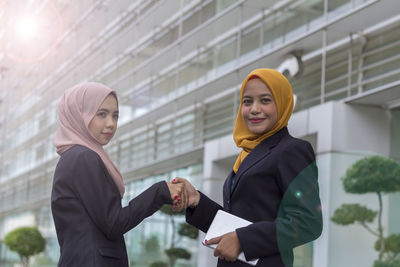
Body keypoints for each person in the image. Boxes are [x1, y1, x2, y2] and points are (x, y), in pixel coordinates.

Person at [173, 68, 323, 267]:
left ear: (283, 103)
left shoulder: (292, 150)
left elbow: (308, 222)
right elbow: (237, 222)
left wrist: (243, 240)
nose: (254, 108)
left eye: (265, 100)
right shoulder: (246, 154)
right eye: (247, 101)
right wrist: (197, 202)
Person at [51, 82, 185, 267]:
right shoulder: (83, 157)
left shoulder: (74, 158)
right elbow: (114, 223)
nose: (111, 124)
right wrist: (160, 191)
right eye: (101, 114)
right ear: (79, 114)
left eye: (115, 116)